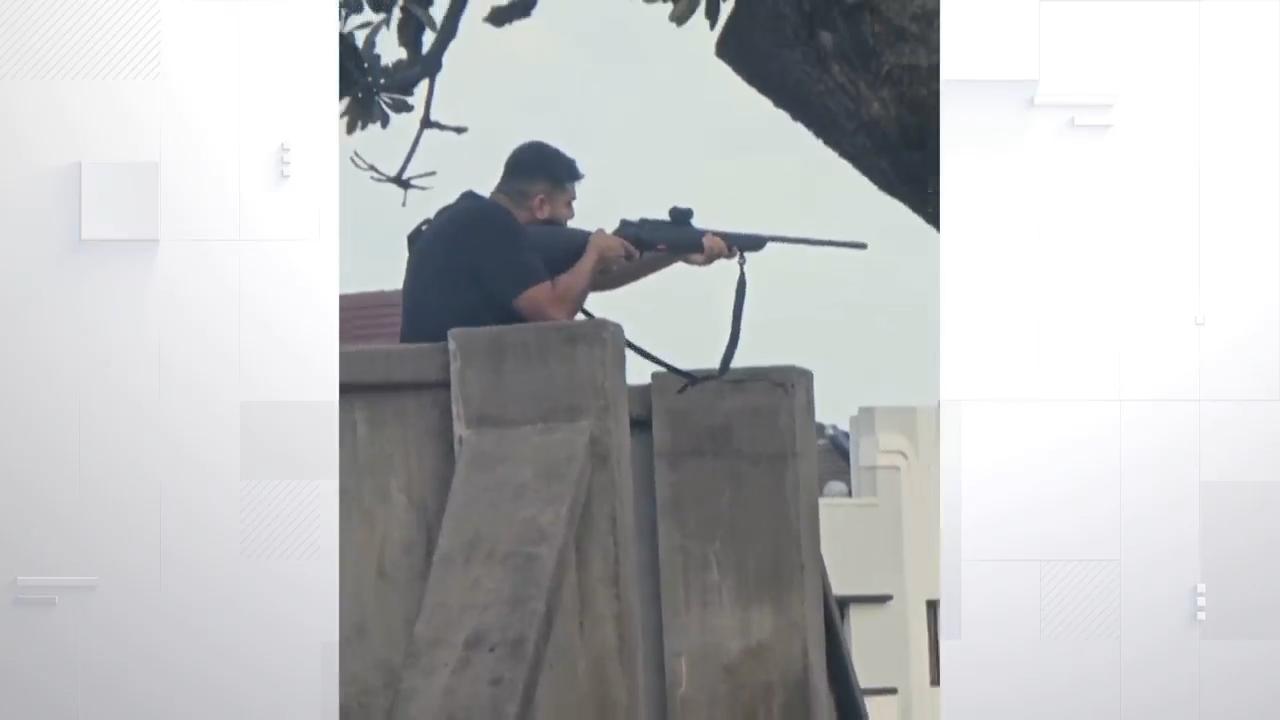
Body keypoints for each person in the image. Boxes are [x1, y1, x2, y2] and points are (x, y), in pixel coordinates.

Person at [398, 140, 733, 344]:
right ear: (541, 204)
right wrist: (593, 253)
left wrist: (674, 251)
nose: (571, 216)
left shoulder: (469, 219)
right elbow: (556, 312)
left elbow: (590, 281)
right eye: (568, 203)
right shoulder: (490, 224)